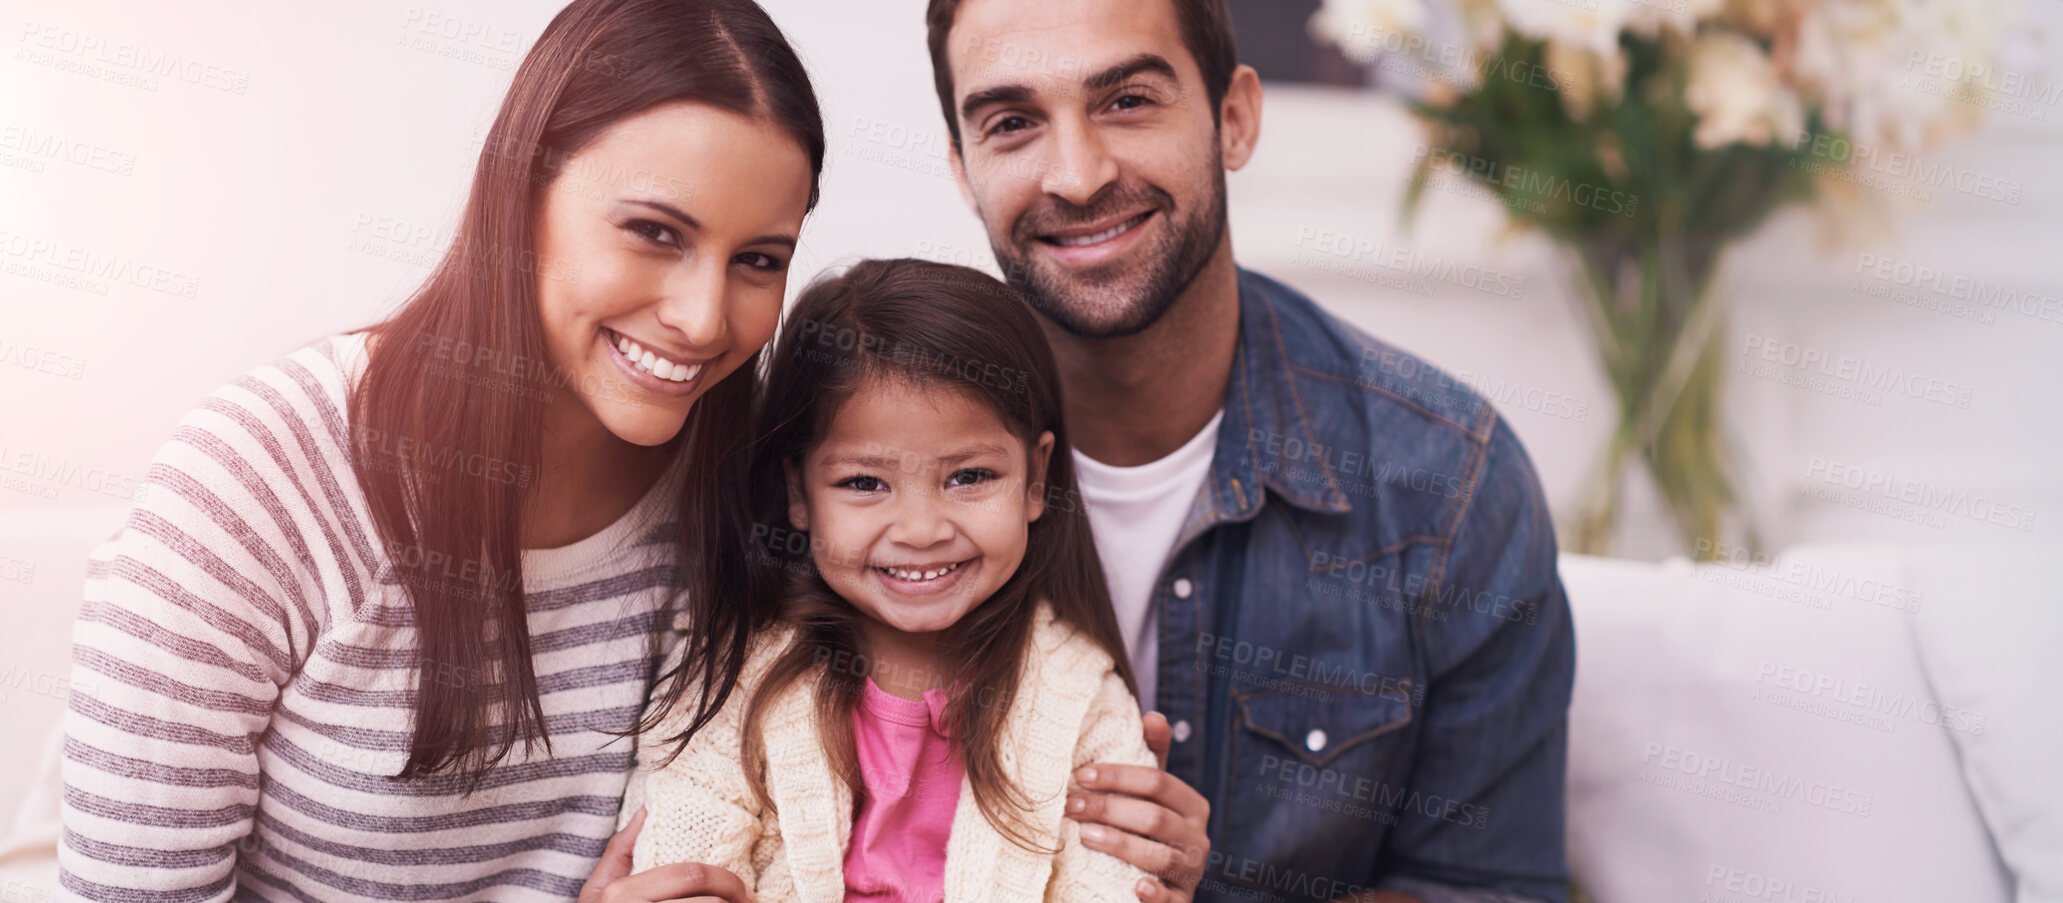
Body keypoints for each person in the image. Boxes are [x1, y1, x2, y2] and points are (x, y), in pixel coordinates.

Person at [52, 0, 825, 900]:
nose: (702, 317)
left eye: (760, 260)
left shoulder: (755, 486)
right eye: (655, 233)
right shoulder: (258, 479)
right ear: (519, 193)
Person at [921, 1, 1579, 901]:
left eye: (1127, 102)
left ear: (1234, 118)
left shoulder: (1449, 484)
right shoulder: (852, 473)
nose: (1075, 175)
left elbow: (1482, 888)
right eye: (1012, 123)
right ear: (963, 168)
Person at [626, 258, 1153, 903]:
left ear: (1036, 479)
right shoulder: (734, 675)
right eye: (864, 483)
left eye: (969, 477)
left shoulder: (1081, 696)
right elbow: (680, 855)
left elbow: (1111, 885)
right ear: (800, 491)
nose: (922, 529)